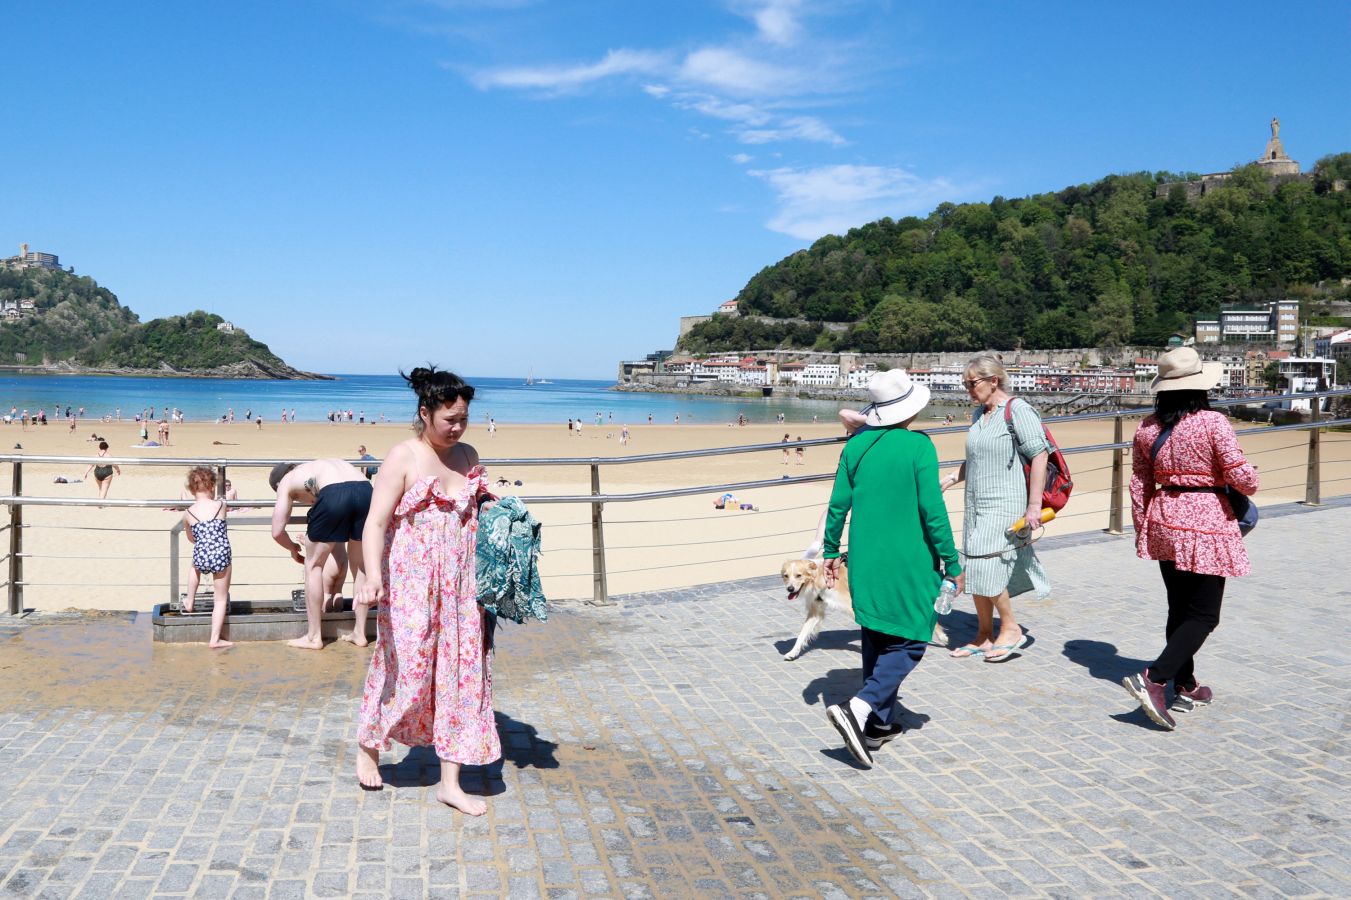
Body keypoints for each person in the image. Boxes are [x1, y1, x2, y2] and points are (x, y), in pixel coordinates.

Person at [355, 366, 498, 814]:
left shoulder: (468, 453)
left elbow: (476, 508)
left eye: (463, 420)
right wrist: (372, 575)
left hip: (461, 585)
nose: (456, 428)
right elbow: (376, 521)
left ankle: (449, 782)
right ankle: (369, 745)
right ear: (425, 413)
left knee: (460, 675)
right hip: (411, 583)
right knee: (407, 668)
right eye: (448, 420)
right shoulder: (404, 456)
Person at [821, 370, 963, 768]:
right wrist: (952, 562)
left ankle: (877, 725)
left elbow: (837, 504)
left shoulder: (856, 446)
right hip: (909, 556)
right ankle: (860, 708)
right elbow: (932, 511)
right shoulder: (919, 446)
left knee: (878, 632)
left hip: (865, 554)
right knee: (913, 637)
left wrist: (832, 549)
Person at [1122, 347, 1258, 730]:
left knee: (1180, 608)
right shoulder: (1214, 423)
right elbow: (1243, 479)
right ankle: (1156, 678)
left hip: (1163, 515)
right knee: (1204, 614)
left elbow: (1140, 481)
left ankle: (1185, 684)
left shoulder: (1147, 426)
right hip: (1206, 520)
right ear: (1201, 386)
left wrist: (1142, 527)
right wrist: (1251, 476)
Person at [940, 354, 1051, 662]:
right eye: (965, 384)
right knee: (973, 563)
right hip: (976, 502)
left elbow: (1040, 454)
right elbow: (975, 457)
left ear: (993, 380)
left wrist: (1033, 507)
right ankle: (985, 634)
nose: (968, 389)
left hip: (1006, 502)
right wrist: (951, 478)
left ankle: (1011, 628)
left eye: (972, 383)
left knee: (987, 562)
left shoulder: (1018, 410)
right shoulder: (980, 415)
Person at [269, 458, 372, 650]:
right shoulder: (317, 466)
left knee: (313, 566)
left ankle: (314, 637)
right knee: (360, 567)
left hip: (335, 493)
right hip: (366, 491)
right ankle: (360, 633)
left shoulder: (286, 480)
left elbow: (277, 531)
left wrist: (293, 548)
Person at [182, 467, 234, 649]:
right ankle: (215, 639)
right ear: (212, 486)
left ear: (190, 489)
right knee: (220, 599)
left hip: (202, 552)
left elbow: (191, 538)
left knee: (194, 565)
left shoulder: (188, 513)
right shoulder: (221, 505)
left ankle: (190, 599)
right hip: (221, 554)